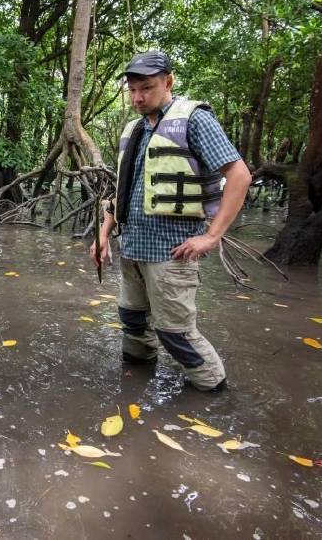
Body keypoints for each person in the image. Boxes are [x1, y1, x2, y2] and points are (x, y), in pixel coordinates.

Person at [90, 50, 251, 391]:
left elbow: (239, 176)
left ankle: (214, 393)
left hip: (170, 252)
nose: (137, 97)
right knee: (132, 321)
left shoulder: (195, 120)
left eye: (146, 88)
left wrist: (211, 236)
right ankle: (133, 385)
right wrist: (103, 234)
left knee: (174, 332)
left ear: (168, 82)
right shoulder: (134, 128)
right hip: (132, 248)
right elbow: (122, 190)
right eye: (132, 90)